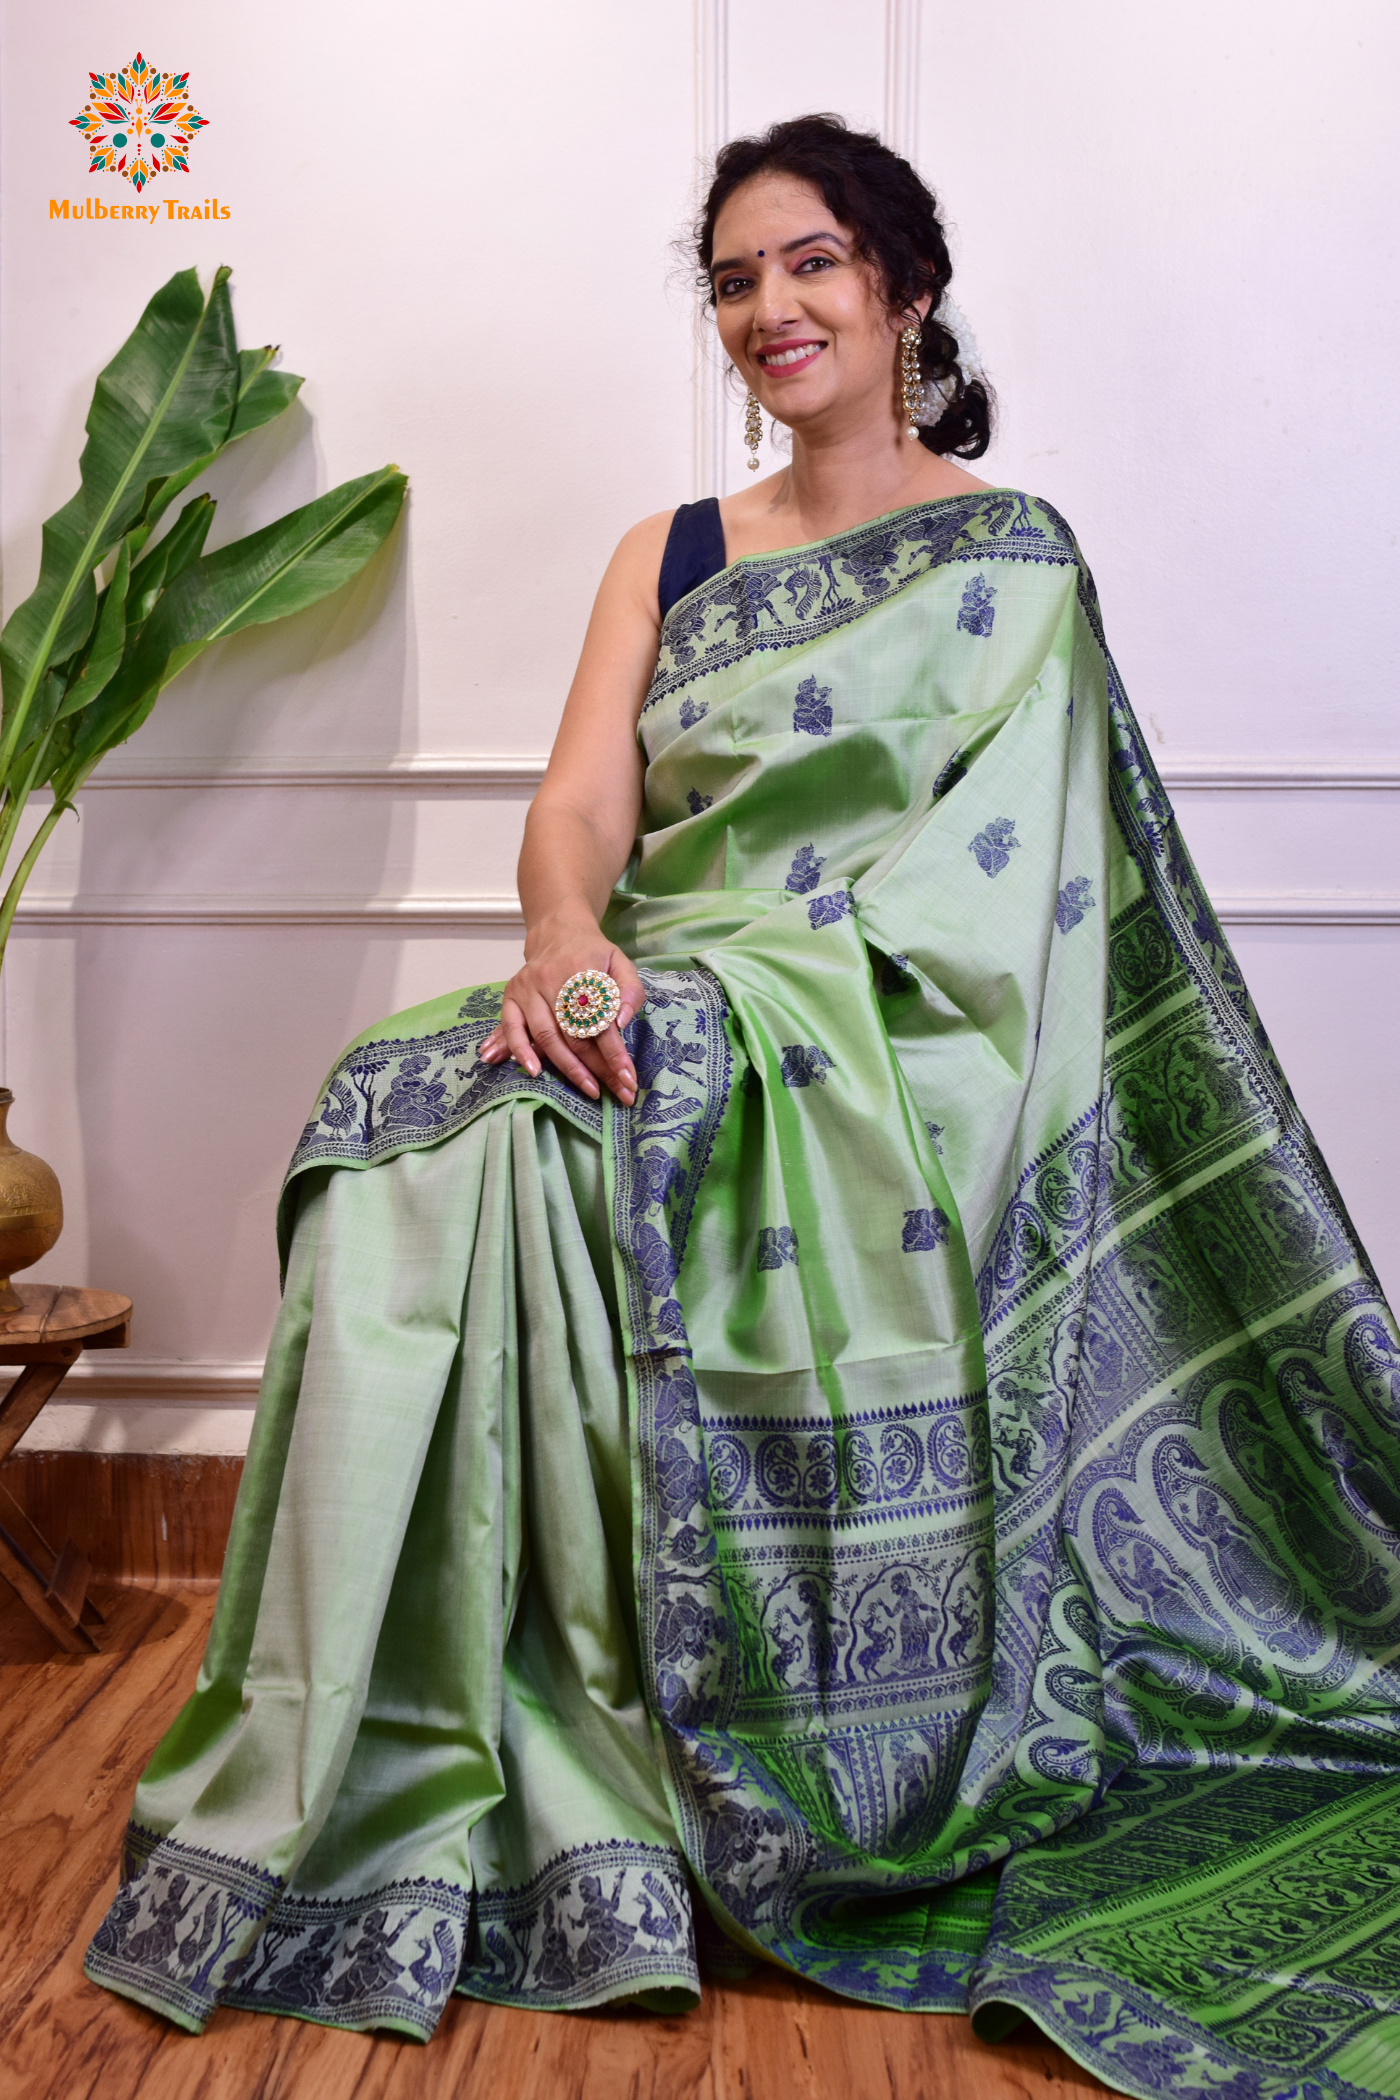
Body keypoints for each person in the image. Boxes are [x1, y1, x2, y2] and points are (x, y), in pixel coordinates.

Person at [86, 115, 1400, 2100]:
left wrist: (743, 1003)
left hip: (890, 1041)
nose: (767, 308)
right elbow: (584, 804)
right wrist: (555, 941)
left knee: (546, 1125)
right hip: (668, 972)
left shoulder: (1009, 557)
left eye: (807, 264)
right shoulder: (673, 551)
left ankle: (612, 1733)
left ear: (903, 290)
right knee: (416, 1108)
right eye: (732, 277)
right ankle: (410, 1730)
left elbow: (998, 919)